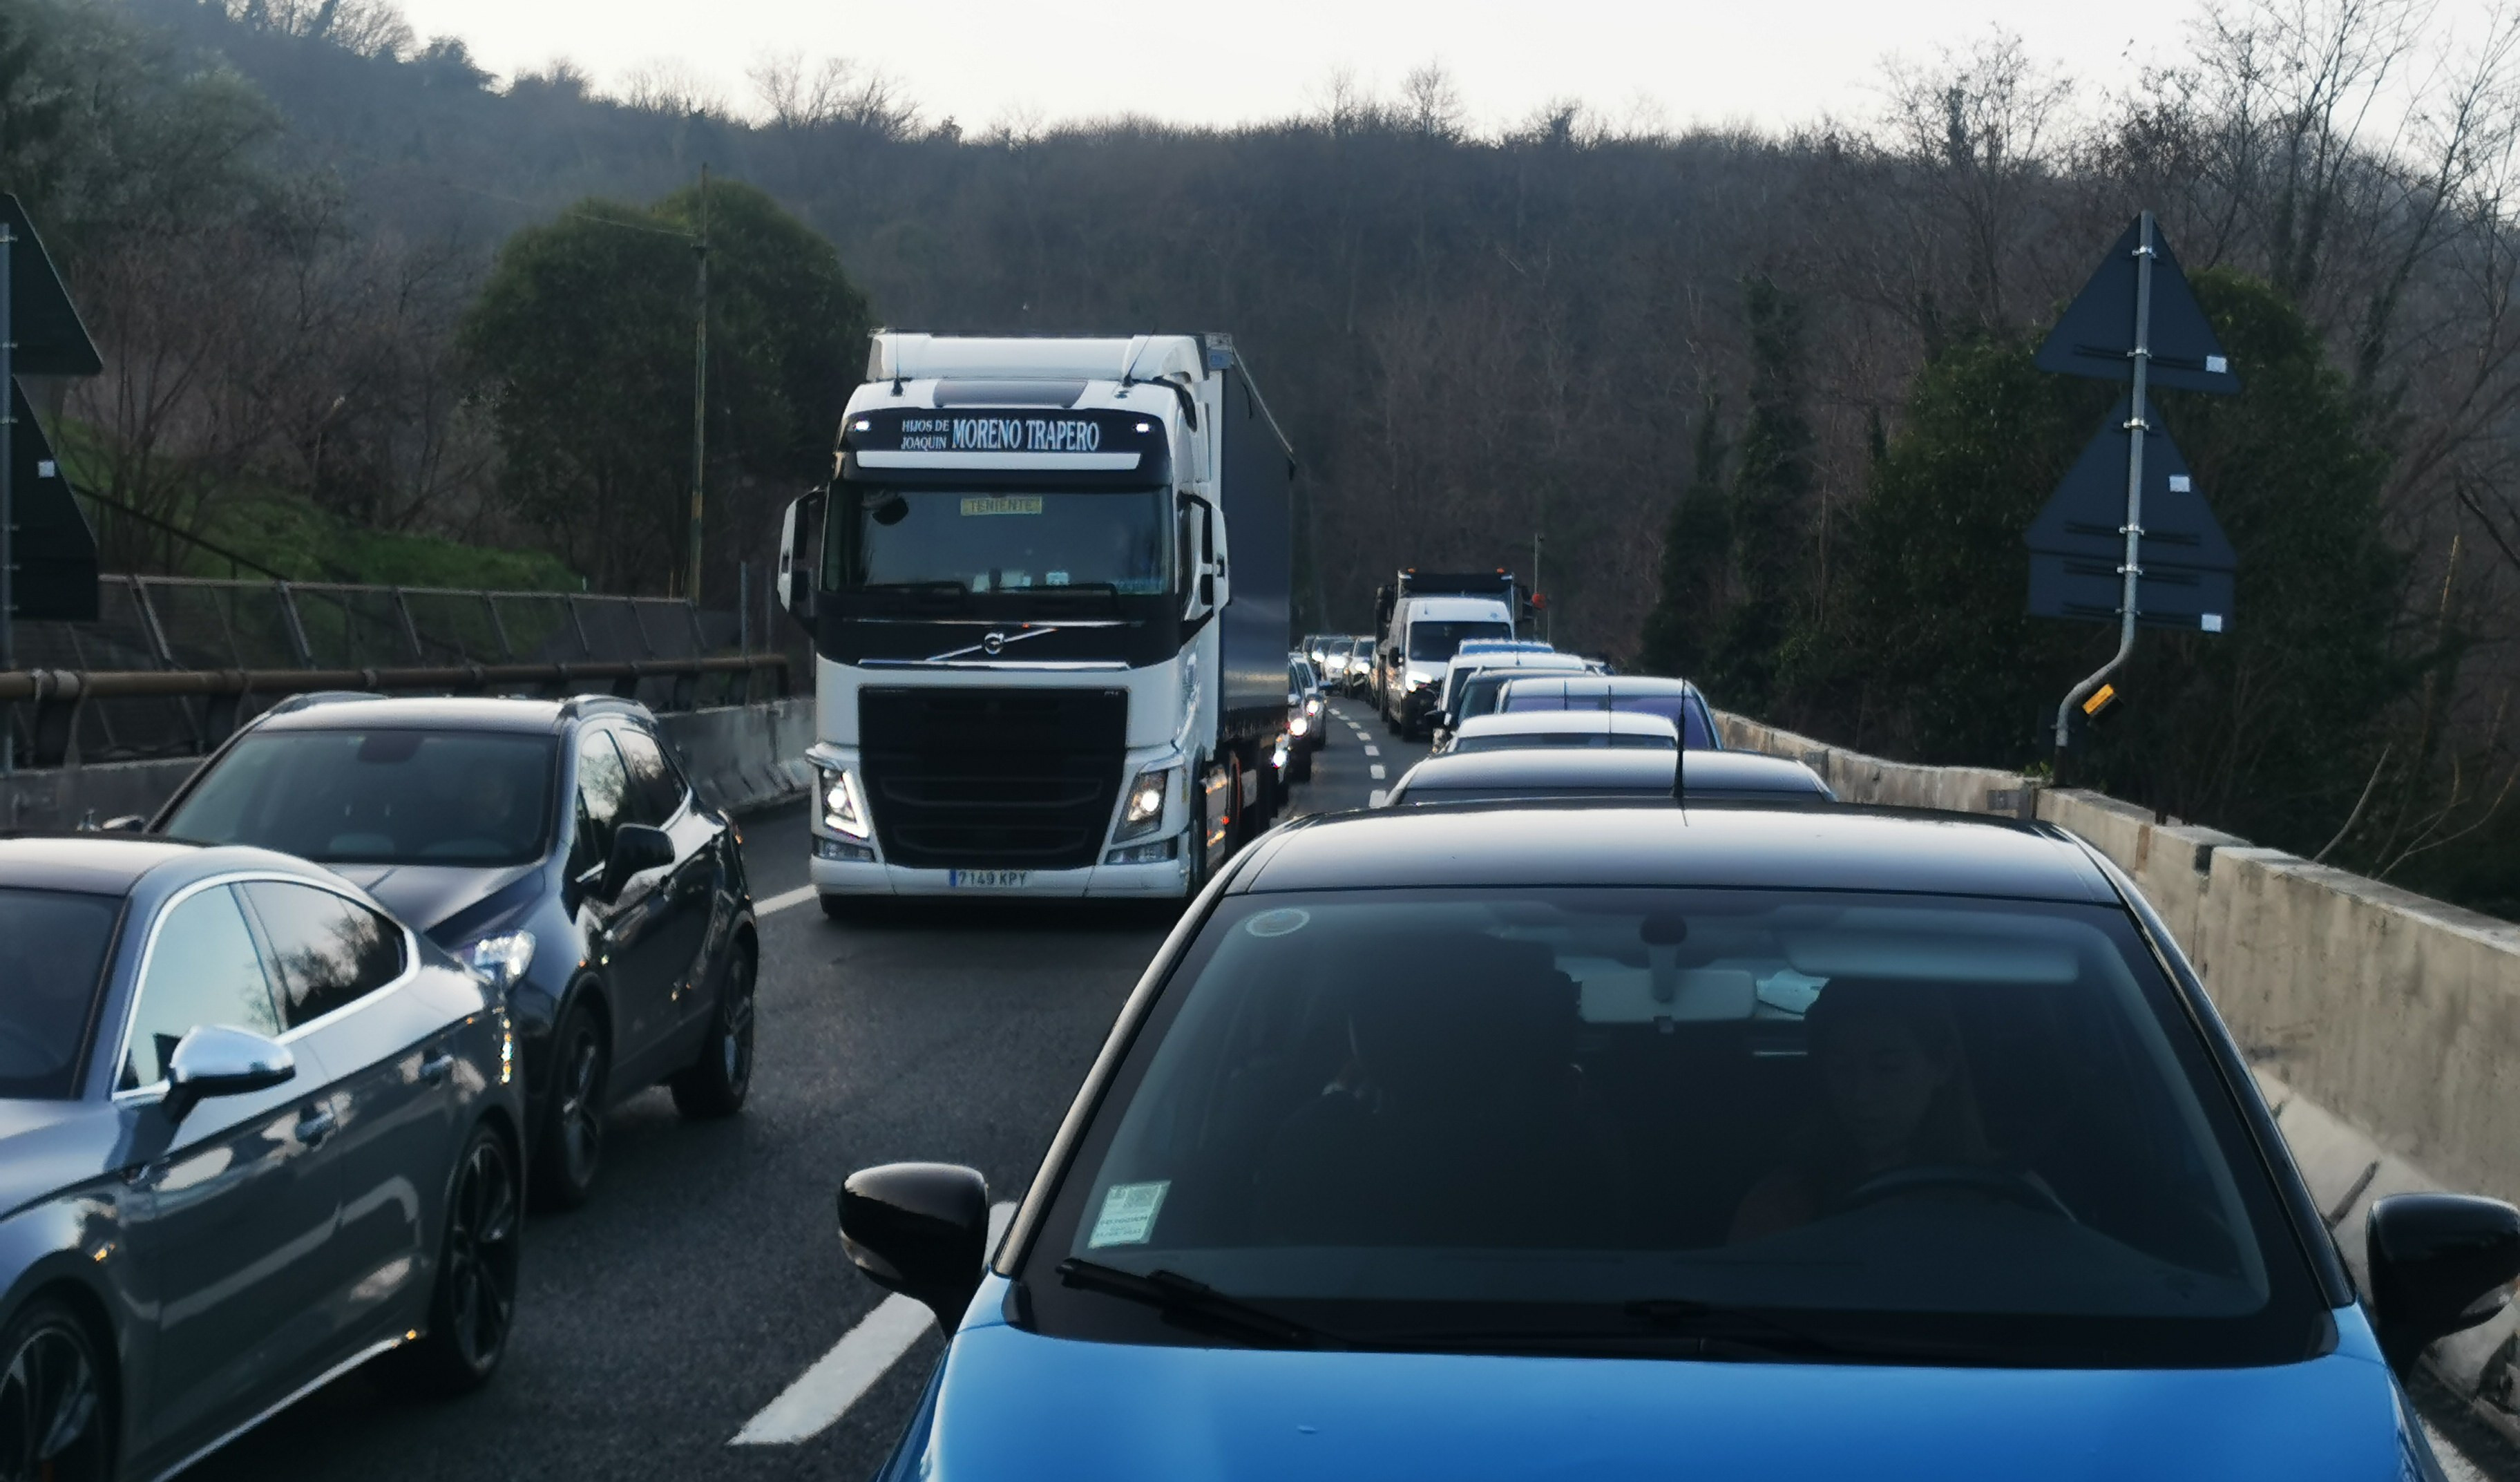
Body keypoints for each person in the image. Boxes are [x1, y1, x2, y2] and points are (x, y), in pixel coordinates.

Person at [1729, 980, 1997, 1243]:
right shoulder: (1786, 1200)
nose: (1861, 1094)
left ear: (1943, 1066)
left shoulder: (2006, 1192)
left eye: (1887, 1068)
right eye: (1841, 1068)